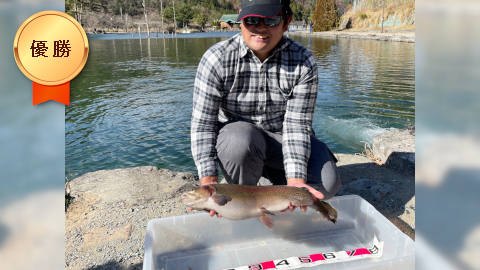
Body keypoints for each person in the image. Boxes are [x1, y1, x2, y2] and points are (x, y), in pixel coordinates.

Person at [191, 0, 342, 217]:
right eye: (252, 20)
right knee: (238, 139)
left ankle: (264, 184)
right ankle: (245, 195)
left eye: (271, 19)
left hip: (283, 140)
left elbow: (297, 126)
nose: (260, 27)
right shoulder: (216, 59)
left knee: (326, 185)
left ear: (287, 22)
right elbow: (203, 126)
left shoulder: (304, 61)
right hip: (241, 143)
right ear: (241, 19)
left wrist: (296, 182)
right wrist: (209, 184)